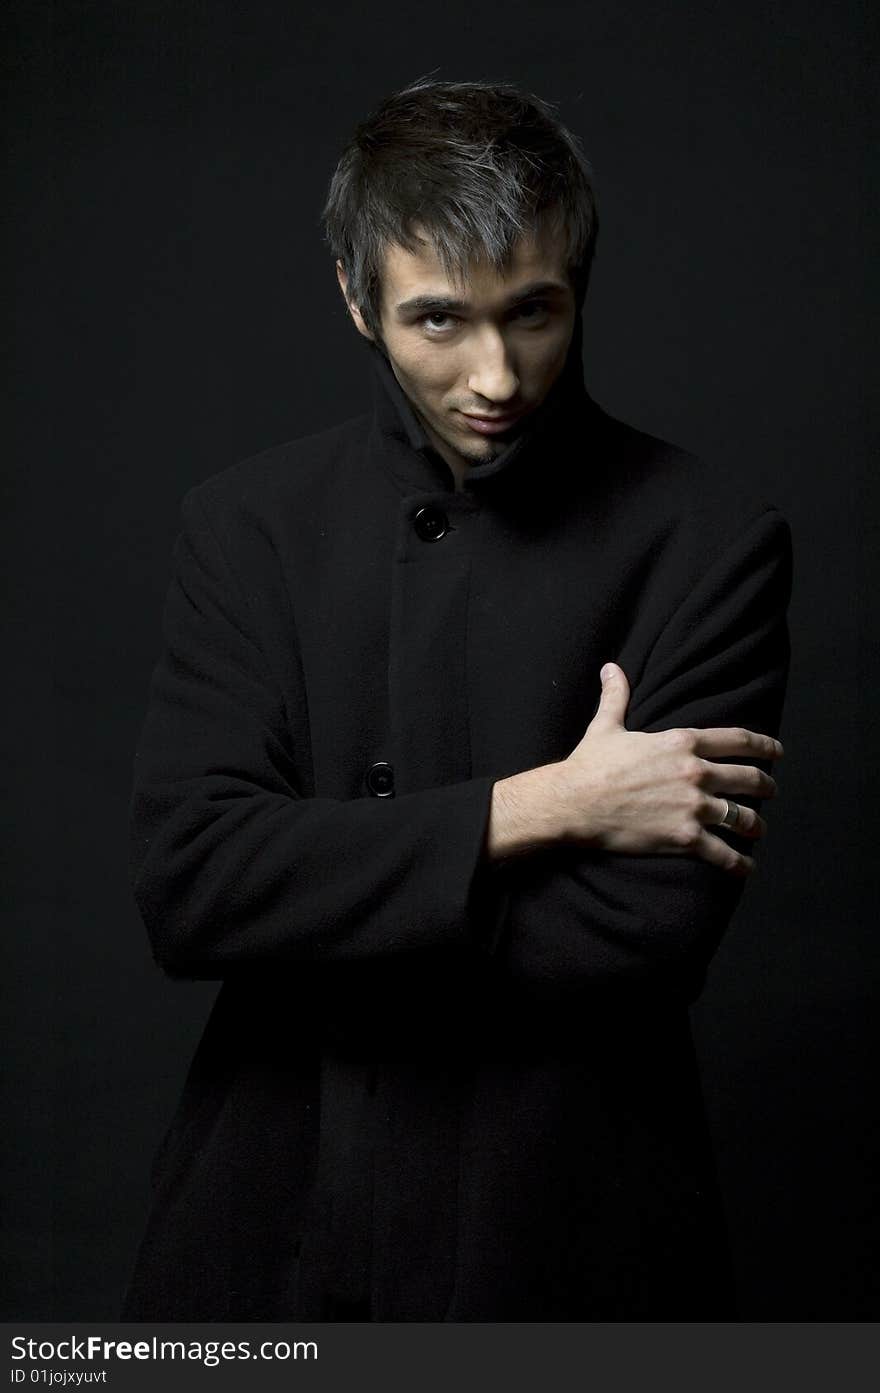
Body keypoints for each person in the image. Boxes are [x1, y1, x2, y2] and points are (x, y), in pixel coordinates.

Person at [122, 77, 792, 1321]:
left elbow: (641, 935)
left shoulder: (708, 538)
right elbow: (189, 885)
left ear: (578, 283)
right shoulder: (246, 525)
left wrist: (318, 903)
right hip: (273, 1220)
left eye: (533, 312)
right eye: (438, 320)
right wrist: (545, 806)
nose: (496, 374)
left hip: (571, 1230)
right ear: (352, 295)